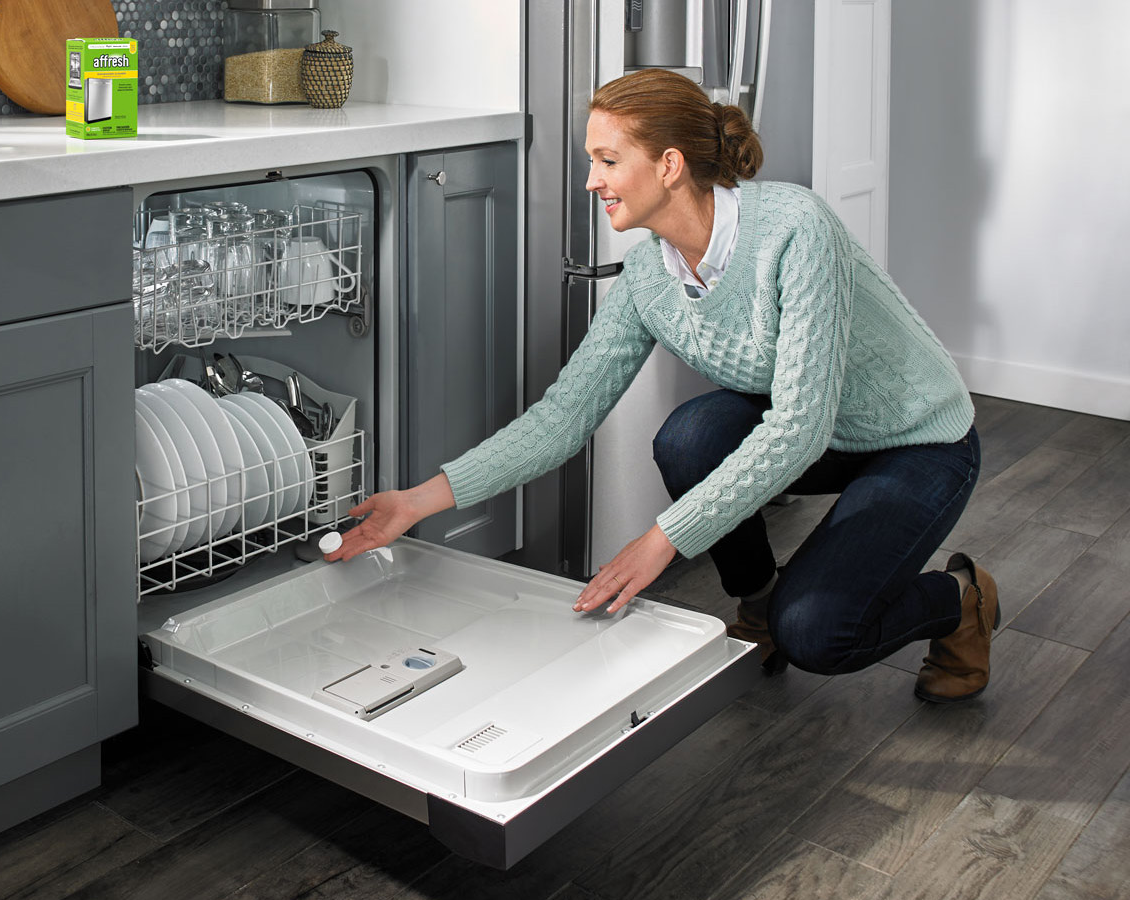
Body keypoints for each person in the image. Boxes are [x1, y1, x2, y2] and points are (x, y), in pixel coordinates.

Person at [324, 68, 999, 703]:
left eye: (608, 160)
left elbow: (799, 427)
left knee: (819, 634)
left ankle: (959, 600)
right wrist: (418, 501)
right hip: (822, 435)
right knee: (689, 438)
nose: (592, 181)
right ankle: (761, 605)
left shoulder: (796, 228)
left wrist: (663, 538)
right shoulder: (648, 276)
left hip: (918, 439)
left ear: (669, 164)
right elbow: (563, 417)